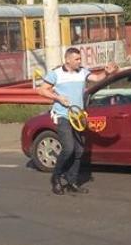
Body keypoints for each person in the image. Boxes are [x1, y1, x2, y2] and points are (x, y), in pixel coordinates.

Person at [38, 48, 119, 195]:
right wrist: (58, 98)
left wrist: (107, 72)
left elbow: (97, 78)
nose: (79, 62)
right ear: (67, 60)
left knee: (79, 150)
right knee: (68, 148)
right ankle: (56, 178)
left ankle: (72, 181)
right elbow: (42, 90)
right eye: (76, 59)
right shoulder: (56, 73)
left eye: (79, 59)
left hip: (79, 116)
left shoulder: (82, 71)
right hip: (63, 116)